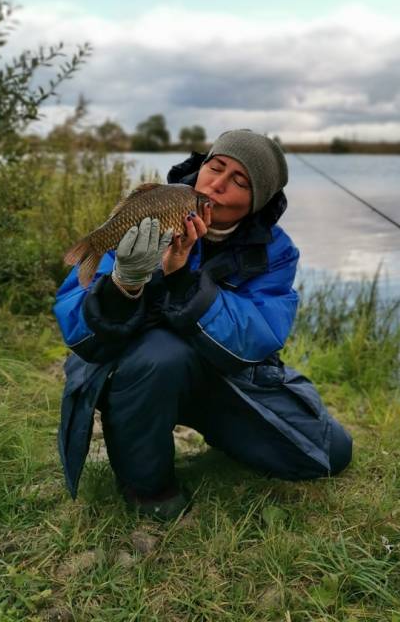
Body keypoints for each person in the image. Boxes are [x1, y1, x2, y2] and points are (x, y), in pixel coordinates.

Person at [53, 130, 352, 519]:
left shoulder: (276, 252)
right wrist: (124, 284)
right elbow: (77, 328)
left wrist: (183, 282)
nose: (218, 184)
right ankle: (148, 489)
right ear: (203, 165)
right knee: (161, 355)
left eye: (240, 181)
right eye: (216, 166)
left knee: (331, 453)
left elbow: (257, 338)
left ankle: (223, 432)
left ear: (255, 201)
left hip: (221, 374)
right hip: (142, 373)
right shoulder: (154, 211)